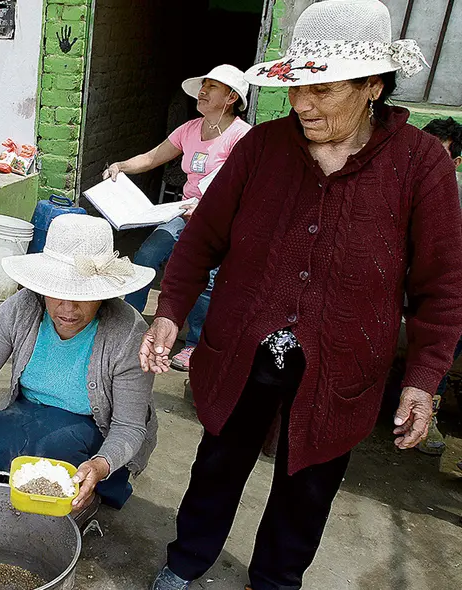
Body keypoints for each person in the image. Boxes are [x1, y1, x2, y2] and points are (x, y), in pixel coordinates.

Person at [142, 2, 462, 589]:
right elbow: (201, 239)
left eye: (323, 89)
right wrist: (171, 310)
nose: (303, 104)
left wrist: (423, 380)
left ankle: (275, 581)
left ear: (373, 86)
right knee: (217, 462)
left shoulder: (420, 167)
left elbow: (441, 288)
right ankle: (186, 562)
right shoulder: (262, 148)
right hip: (242, 347)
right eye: (297, 88)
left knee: (309, 483)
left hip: (341, 364)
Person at [0, 214, 158, 524]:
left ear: (102, 294)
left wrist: (101, 465)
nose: (68, 310)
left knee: (59, 482)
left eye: (82, 298)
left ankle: (87, 501)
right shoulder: (21, 308)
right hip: (26, 412)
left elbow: (129, 427)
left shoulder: (128, 333)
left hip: (94, 426)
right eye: (58, 293)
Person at [103, 65, 252, 371]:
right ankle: (127, 323)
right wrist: (122, 166)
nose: (204, 91)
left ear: (232, 97)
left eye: (212, 87)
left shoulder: (242, 136)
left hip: (218, 220)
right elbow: (153, 156)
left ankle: (195, 344)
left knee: (208, 279)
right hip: (183, 212)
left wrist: (210, 206)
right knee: (147, 254)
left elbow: (245, 183)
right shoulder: (190, 129)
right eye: (204, 85)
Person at [417, 117, 462, 457]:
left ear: (456, 162)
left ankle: (426, 409)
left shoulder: (454, 198)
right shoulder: (400, 181)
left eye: (440, 154)